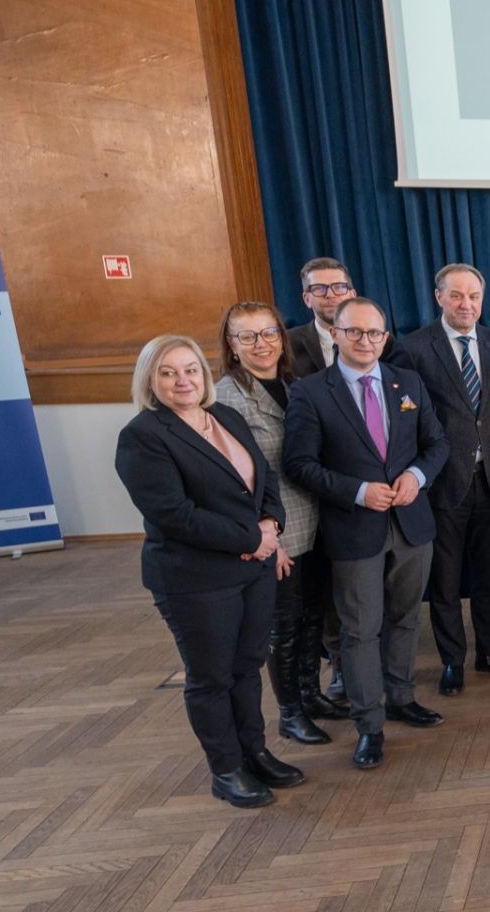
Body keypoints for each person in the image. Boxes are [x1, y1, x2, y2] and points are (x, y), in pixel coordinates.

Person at [116, 334, 303, 808]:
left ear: (204, 374)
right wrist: (252, 539)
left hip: (252, 570)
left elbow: (265, 477)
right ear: (150, 381)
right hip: (195, 579)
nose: (183, 381)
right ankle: (226, 768)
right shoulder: (143, 436)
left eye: (191, 370)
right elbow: (174, 515)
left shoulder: (225, 417)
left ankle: (254, 752)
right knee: (211, 677)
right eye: (168, 373)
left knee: (247, 667)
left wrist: (272, 521)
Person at [283, 298, 449, 771]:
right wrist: (356, 491)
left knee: (405, 619)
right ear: (335, 334)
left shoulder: (407, 382)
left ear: (385, 337)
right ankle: (369, 725)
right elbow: (298, 463)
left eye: (374, 333)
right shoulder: (311, 392)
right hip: (353, 530)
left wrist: (416, 476)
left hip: (412, 524)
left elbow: (437, 444)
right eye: (354, 332)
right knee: (359, 631)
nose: (365, 341)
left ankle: (401, 698)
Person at [399, 264, 490, 694]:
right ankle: (453, 661)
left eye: (473, 296)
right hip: (442, 483)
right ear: (439, 297)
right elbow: (407, 419)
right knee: (446, 581)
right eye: (456, 295)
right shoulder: (413, 348)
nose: (466, 304)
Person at [213, 303, 330, 746]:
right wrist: (268, 537)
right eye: (248, 336)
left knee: (314, 615)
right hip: (277, 532)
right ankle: (290, 712)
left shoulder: (294, 384)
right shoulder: (224, 399)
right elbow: (232, 481)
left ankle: (312, 694)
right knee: (286, 625)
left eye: (269, 333)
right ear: (231, 345)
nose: (261, 344)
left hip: (316, 522)